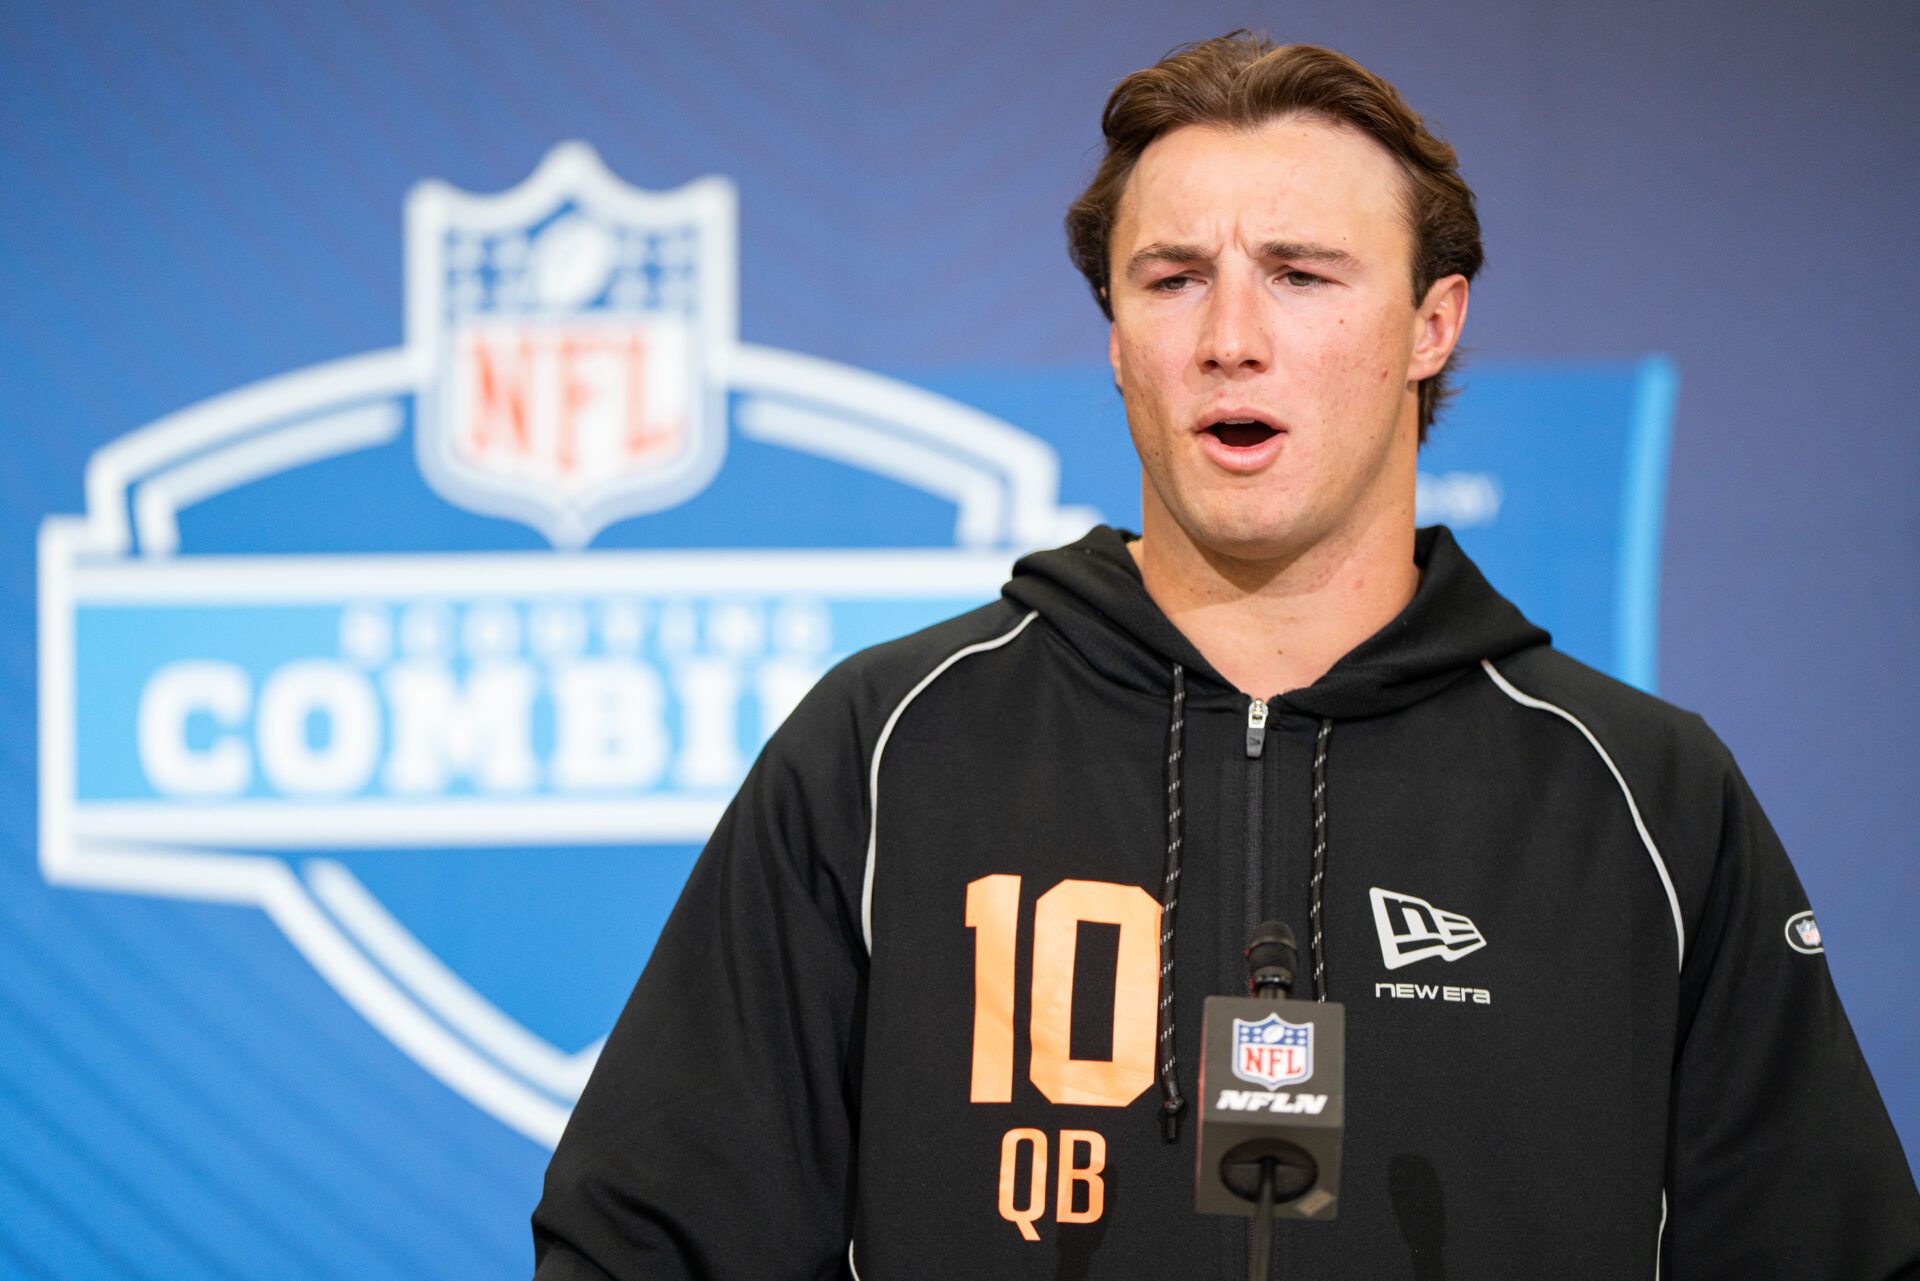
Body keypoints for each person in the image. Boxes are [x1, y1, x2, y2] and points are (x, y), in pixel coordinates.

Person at [532, 33, 1920, 1279]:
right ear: (1120, 341)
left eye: (1303, 276)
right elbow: (645, 1239)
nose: (1231, 339)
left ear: (1431, 328)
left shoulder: (1644, 796)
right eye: (1173, 279)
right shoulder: (887, 750)